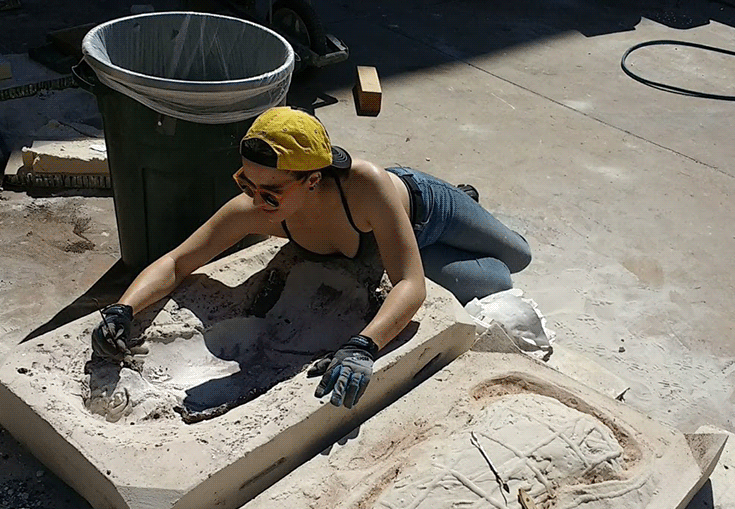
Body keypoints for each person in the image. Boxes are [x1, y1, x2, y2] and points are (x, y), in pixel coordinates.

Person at [92, 106, 531, 409]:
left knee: (518, 255)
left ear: (312, 181)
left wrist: (362, 346)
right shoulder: (257, 209)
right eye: (246, 183)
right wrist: (122, 309)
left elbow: (409, 287)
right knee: (494, 282)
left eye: (271, 191)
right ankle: (418, 243)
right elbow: (177, 262)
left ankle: (460, 197)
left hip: (423, 209)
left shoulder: (364, 184)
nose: (257, 200)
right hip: (384, 241)